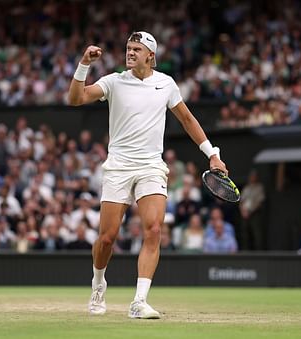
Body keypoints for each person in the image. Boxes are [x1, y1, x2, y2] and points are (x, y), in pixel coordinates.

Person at [68, 31, 227, 319]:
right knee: (107, 238)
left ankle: (139, 301)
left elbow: (188, 120)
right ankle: (98, 283)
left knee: (154, 229)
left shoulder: (166, 84)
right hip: (118, 166)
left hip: (151, 166)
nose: (130, 53)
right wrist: (84, 64)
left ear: (150, 56)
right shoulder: (113, 82)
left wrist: (212, 154)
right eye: (128, 48)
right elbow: (76, 99)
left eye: (136, 49)